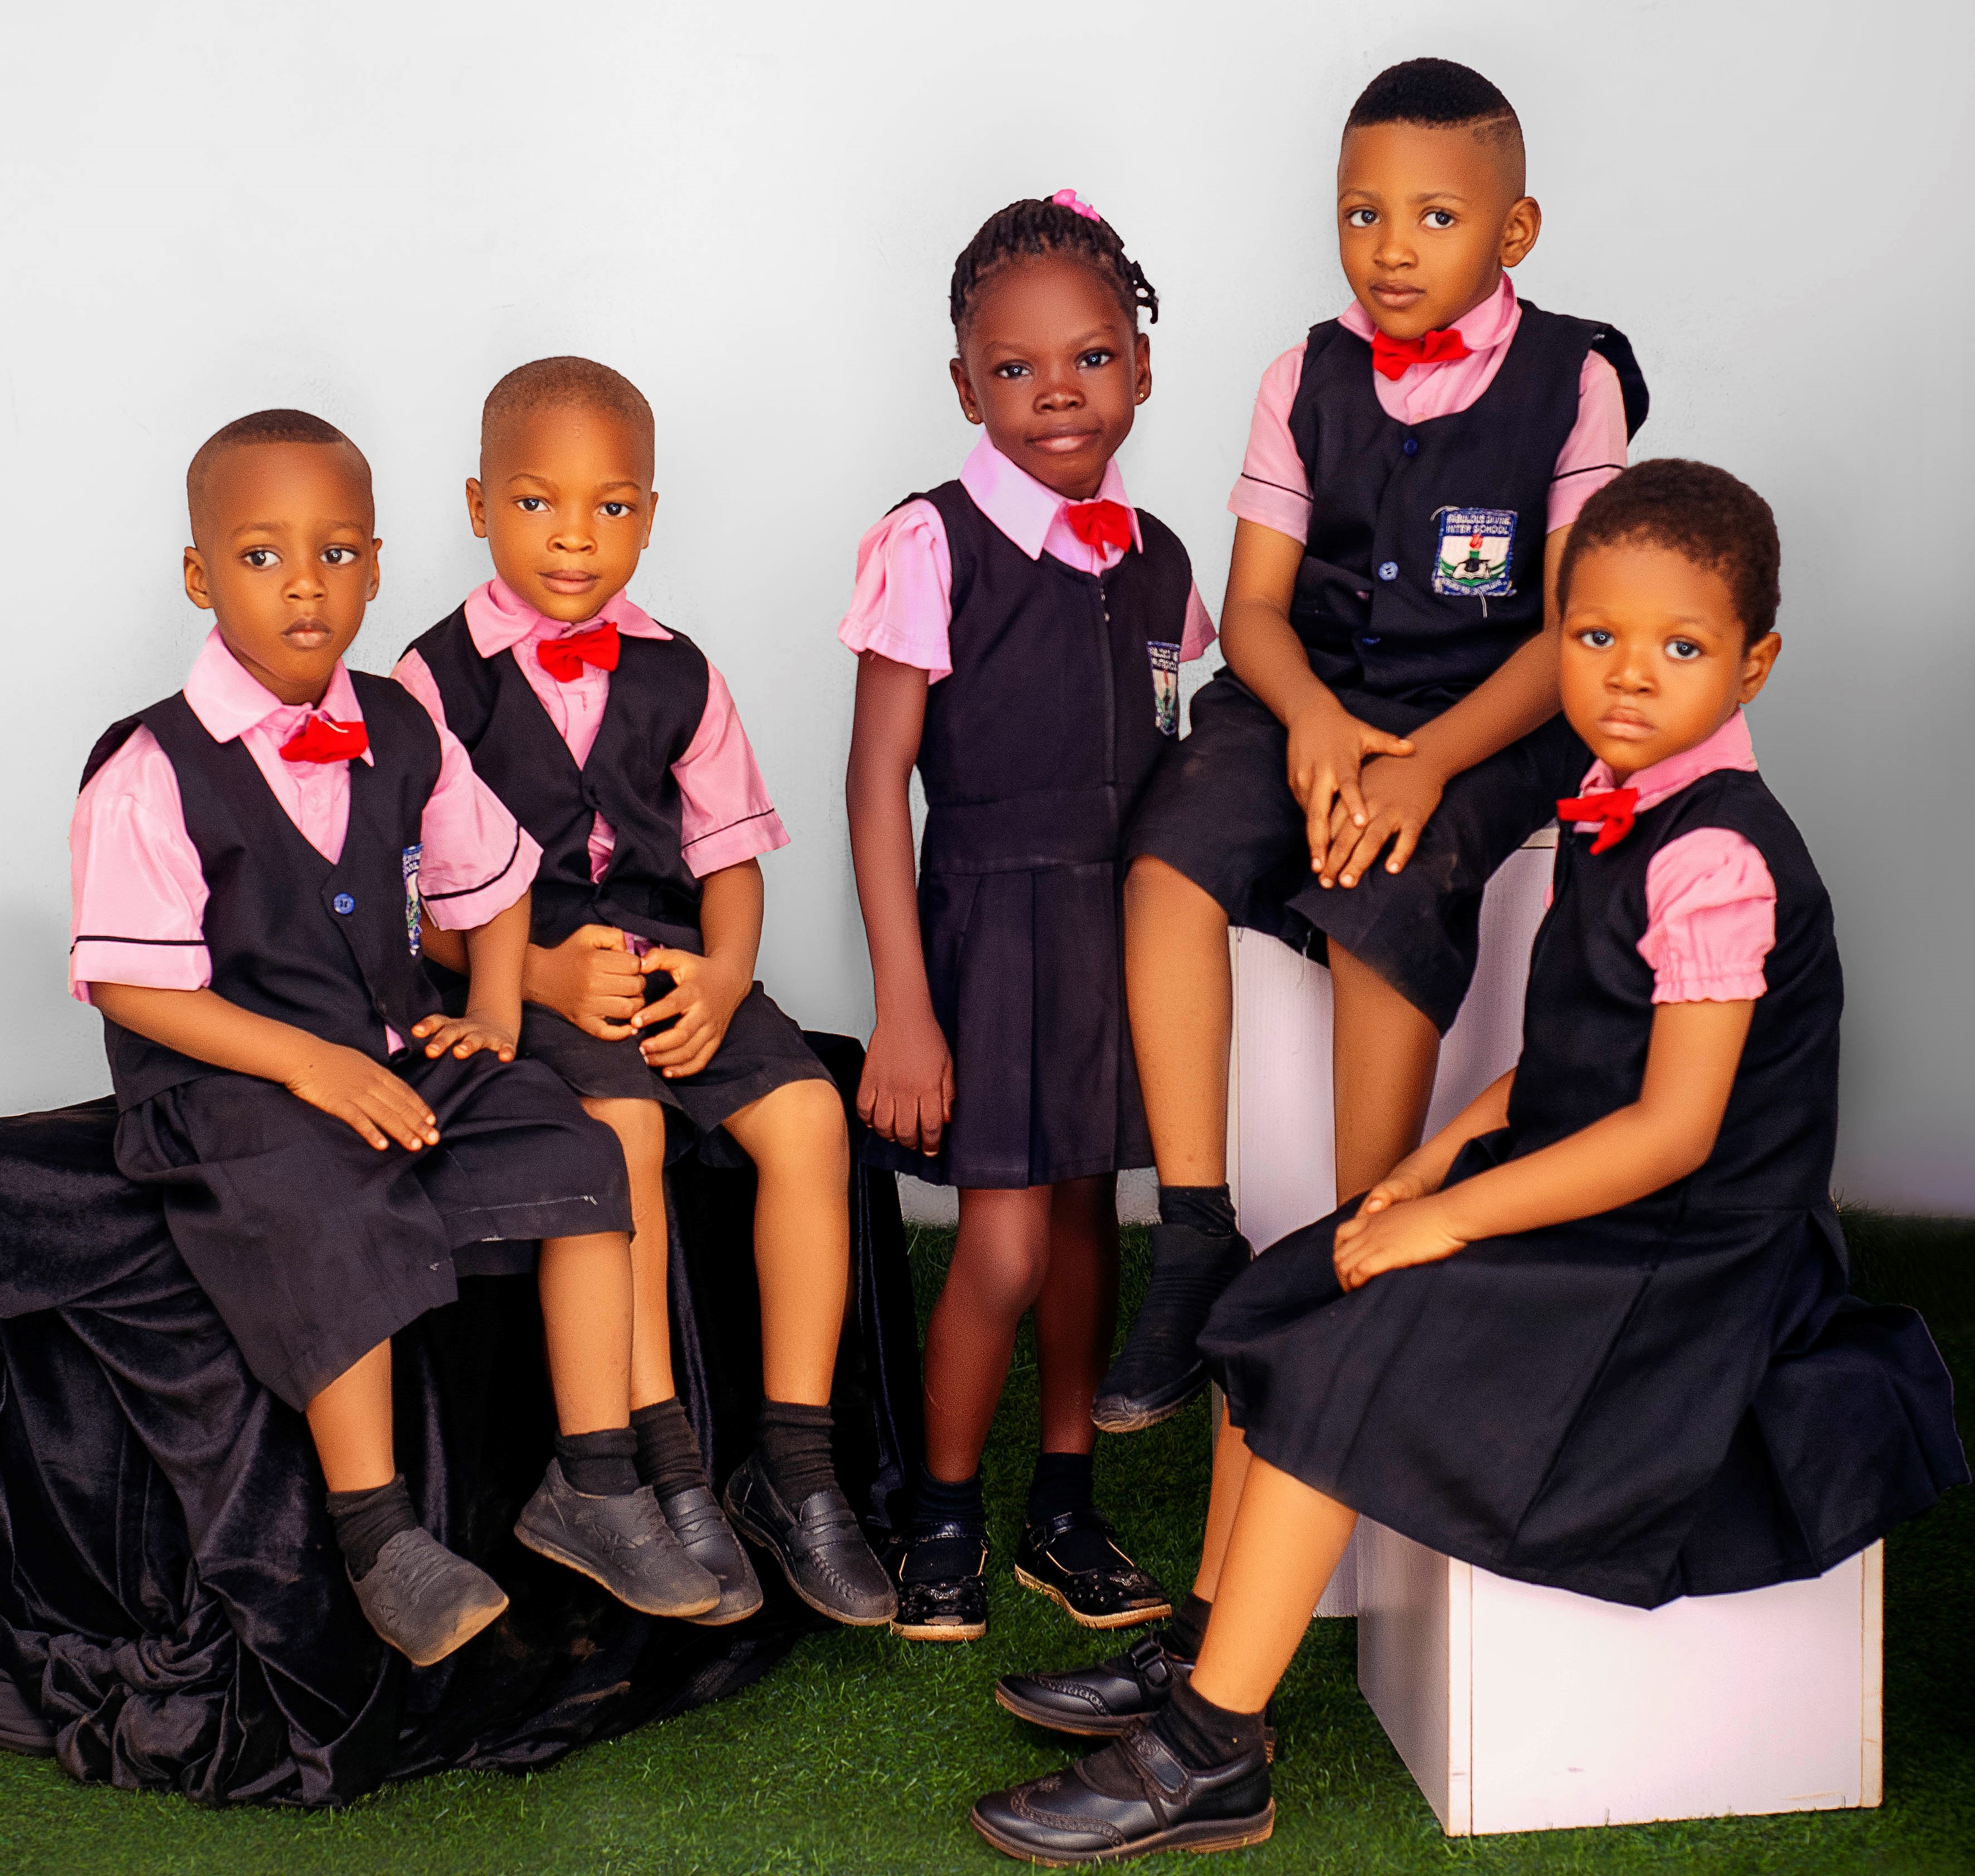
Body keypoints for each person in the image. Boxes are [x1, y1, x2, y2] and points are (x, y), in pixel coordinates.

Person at [969, 460, 1971, 1862]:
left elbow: (1670, 1130)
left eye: (1681, 648)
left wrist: (1450, 1225)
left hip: (1684, 1260)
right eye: (1595, 636)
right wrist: (1429, 1165)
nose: (1629, 676)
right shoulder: (1610, 803)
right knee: (1280, 1292)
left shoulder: (1719, 860)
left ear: (1754, 665)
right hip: (1597, 1201)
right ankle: (1203, 1644)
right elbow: (1567, 1057)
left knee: (1345, 1350)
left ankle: (1210, 1756)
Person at [1016, 53, 1650, 1734]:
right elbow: (1255, 611)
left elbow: (1570, 632)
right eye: (1361, 213)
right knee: (1167, 852)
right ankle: (1198, 1227)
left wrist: (1419, 762)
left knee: (1391, 879)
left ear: (1512, 229)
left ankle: (1358, 1235)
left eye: (1434, 216)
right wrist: (1309, 726)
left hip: (1485, 718)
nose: (1390, 246)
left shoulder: (1574, 380)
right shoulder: (1301, 373)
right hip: (1311, 693)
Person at [69, 410, 722, 1668]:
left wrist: (493, 1009)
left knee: (579, 1147)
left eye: (335, 554)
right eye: (261, 556)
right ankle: (379, 1533)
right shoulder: (151, 766)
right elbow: (134, 987)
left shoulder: (402, 725)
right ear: (201, 575)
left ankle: (592, 1481)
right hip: (231, 1082)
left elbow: (494, 880)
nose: (304, 585)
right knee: (328, 1192)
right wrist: (309, 1062)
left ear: (374, 567)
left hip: (386, 1048)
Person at [395, 360, 893, 1628]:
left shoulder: (681, 672)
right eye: (536, 503)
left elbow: (728, 862)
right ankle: (662, 1469)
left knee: (810, 1117)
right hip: (525, 975)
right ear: (478, 507)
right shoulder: (431, 682)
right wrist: (538, 973)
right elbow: (418, 907)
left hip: (676, 961)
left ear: (651, 516)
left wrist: (723, 978)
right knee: (620, 1131)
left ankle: (795, 1466)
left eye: (611, 507)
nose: (575, 537)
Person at [841, 191, 1217, 1641]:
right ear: (965, 387)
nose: (1057, 392)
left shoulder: (1161, 558)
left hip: (1120, 936)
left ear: (1140, 365)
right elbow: (876, 782)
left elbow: (1180, 757)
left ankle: (1064, 1509)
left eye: (1091, 358)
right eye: (1015, 368)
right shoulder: (928, 542)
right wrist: (903, 1004)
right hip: (989, 935)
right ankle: (942, 1520)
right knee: (999, 1247)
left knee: (1083, 1225)